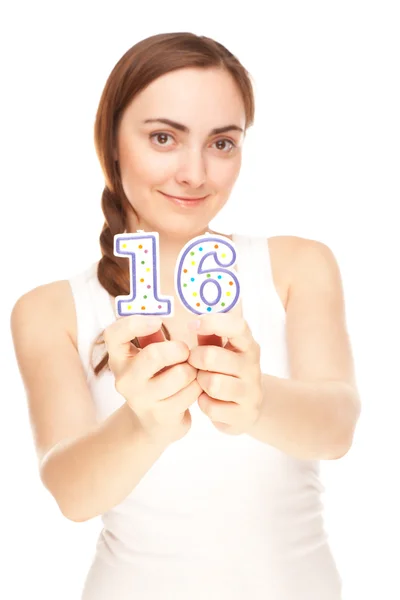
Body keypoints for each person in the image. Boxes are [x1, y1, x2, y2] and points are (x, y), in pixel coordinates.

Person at [10, 32, 361, 600]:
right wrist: (142, 424)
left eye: (222, 144)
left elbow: (338, 426)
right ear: (113, 143)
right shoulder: (50, 310)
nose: (194, 173)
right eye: (164, 137)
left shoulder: (298, 265)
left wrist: (257, 400)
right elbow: (72, 494)